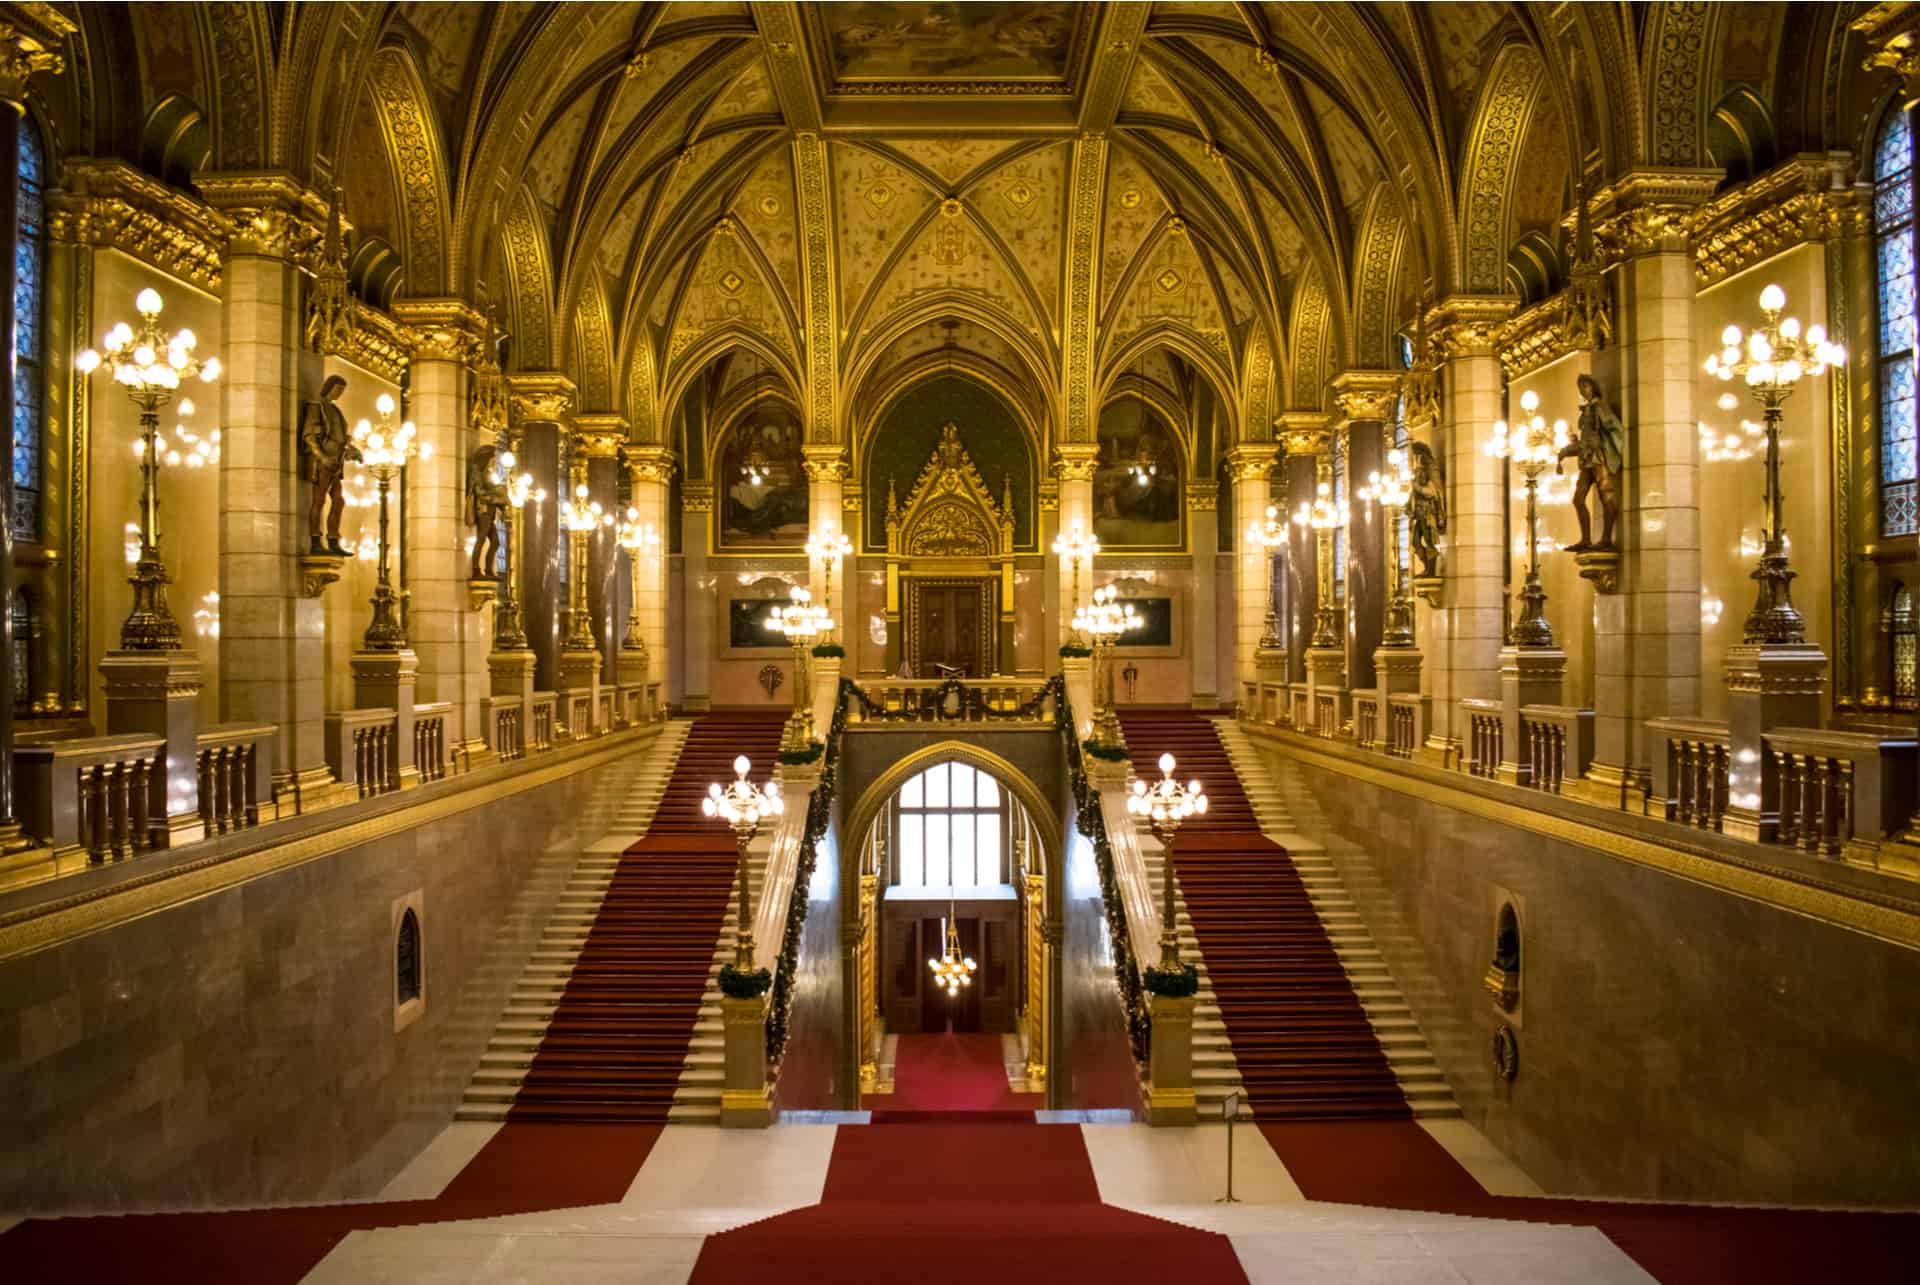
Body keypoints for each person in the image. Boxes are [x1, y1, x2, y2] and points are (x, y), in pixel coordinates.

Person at [1560, 373, 1624, 552]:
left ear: (1593, 387)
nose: (1583, 390)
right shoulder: (1587, 410)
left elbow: (1612, 427)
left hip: (1598, 458)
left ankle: (1606, 538)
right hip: (1586, 459)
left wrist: (1605, 426)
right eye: (1580, 387)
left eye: (1586, 386)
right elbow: (1585, 439)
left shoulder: (1600, 407)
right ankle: (1586, 539)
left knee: (1607, 497)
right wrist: (1570, 448)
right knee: (1578, 499)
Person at [300, 375, 359, 555]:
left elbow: (341, 439)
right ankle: (315, 541)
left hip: (336, 462)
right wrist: (321, 456)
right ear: (329, 387)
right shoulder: (316, 407)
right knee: (318, 500)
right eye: (338, 389)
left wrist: (351, 451)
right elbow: (309, 436)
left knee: (339, 501)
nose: (340, 393)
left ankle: (333, 540)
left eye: (342, 390)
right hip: (323, 462)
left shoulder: (335, 410)